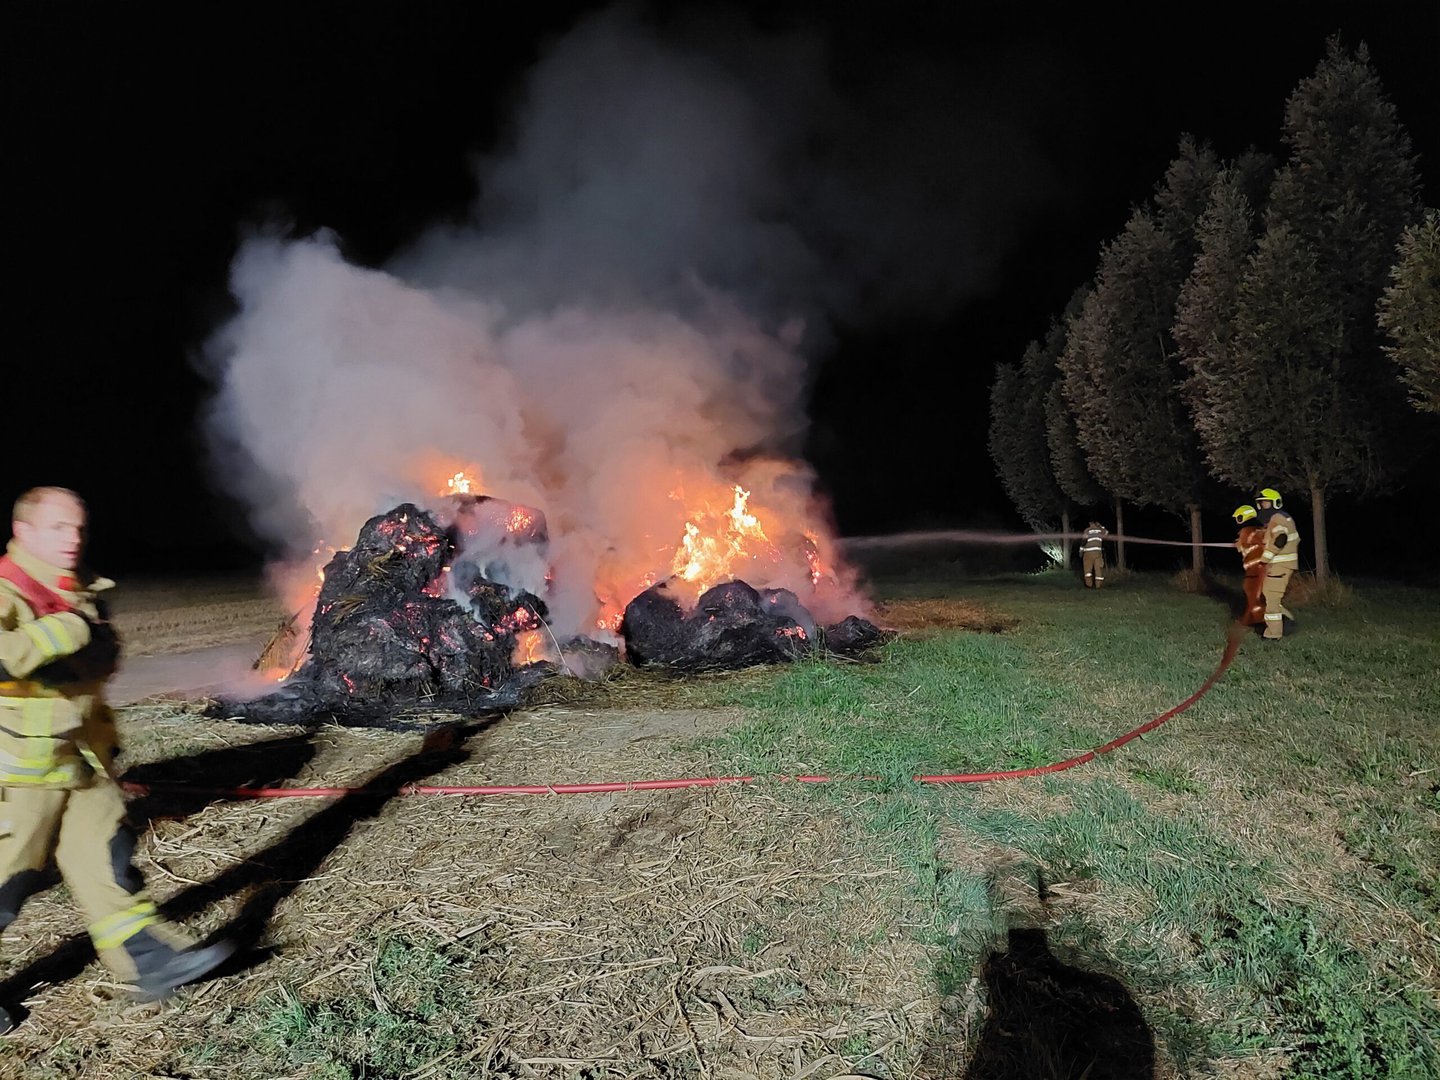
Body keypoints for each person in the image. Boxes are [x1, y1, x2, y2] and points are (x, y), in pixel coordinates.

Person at [0, 487, 237, 1033]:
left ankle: (150, 962)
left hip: (81, 765)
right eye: (58, 528)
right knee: (6, 884)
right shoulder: (12, 591)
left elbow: (89, 679)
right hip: (19, 773)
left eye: (78, 528)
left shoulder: (78, 591)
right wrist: (64, 630)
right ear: (24, 532)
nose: (73, 539)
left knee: (107, 861)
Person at [1253, 487, 1301, 640]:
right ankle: (1288, 621)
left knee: (1272, 599)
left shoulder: (1277, 518)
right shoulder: (1281, 518)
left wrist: (1265, 559)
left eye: (1265, 503)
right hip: (1281, 566)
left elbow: (1280, 539)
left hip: (1280, 566)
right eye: (1261, 503)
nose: (1262, 507)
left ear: (1275, 503)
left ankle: (1274, 634)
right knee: (1269, 596)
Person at [1232, 505, 1266, 627]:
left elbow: (1245, 542)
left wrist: (1239, 545)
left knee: (1252, 593)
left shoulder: (1247, 530)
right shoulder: (1259, 529)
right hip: (1263, 568)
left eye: (1238, 518)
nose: (1237, 521)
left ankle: (1258, 621)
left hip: (1255, 570)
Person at [1079, 520, 1109, 588]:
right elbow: (1106, 532)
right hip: (1098, 553)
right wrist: (1100, 525)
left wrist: (1081, 551)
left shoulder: (1087, 530)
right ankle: (1098, 585)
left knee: (1088, 570)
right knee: (1098, 569)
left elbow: (1083, 541)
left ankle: (1089, 585)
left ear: (1090, 523)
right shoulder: (1100, 530)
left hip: (1088, 553)